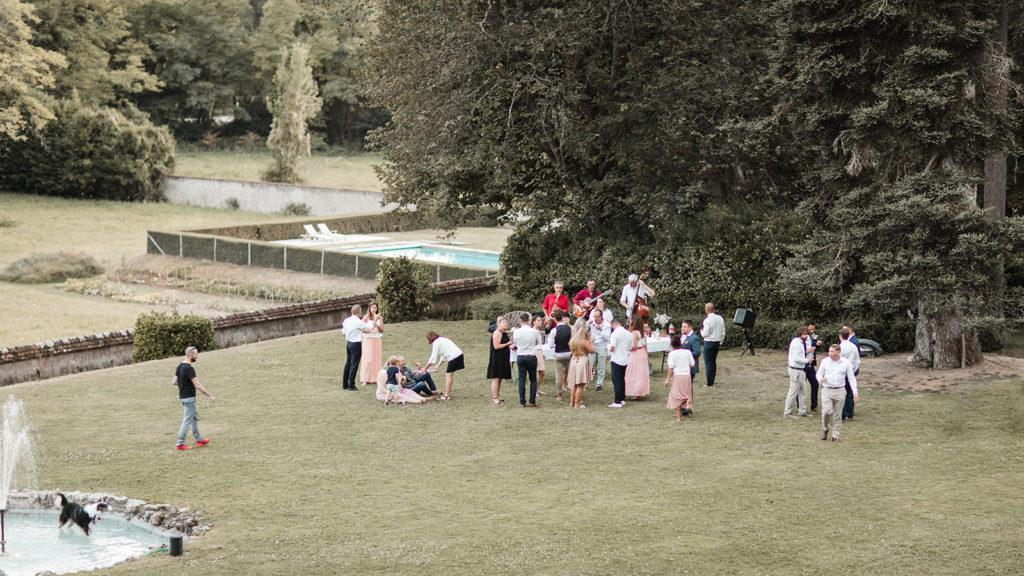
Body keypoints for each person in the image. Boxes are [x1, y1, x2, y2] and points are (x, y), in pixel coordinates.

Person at [172, 346, 215, 451]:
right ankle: (180, 444)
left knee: (194, 417)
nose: (197, 356)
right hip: (189, 398)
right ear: (190, 355)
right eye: (196, 354)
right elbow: (198, 385)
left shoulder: (180, 366)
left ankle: (199, 439)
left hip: (184, 397)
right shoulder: (189, 368)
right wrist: (210, 395)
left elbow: (174, 382)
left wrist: (184, 383)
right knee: (187, 420)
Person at [816, 344, 859, 442]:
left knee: (838, 414)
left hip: (840, 391)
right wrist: (820, 379)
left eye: (832, 351)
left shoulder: (846, 362)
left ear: (838, 352)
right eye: (829, 351)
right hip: (827, 390)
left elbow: (851, 378)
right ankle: (825, 428)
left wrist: (855, 392)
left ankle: (835, 435)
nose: (829, 353)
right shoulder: (825, 361)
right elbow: (818, 373)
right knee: (826, 412)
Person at [424, 332, 465, 400]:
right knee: (449, 374)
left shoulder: (436, 343)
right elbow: (444, 355)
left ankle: (446, 395)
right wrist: (437, 366)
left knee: (448, 374)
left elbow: (433, 357)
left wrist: (425, 368)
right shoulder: (443, 339)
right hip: (460, 355)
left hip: (454, 357)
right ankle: (447, 394)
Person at [664, 335, 696, 420]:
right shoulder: (687, 352)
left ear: (672, 344)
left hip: (677, 376)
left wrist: (667, 379)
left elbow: (670, 368)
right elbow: (692, 364)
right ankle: (688, 400)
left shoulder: (672, 354)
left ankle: (678, 417)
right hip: (687, 376)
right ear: (680, 343)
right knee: (686, 393)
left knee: (676, 396)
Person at [513, 312, 542, 407]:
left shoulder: (516, 331)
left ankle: (522, 402)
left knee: (521, 379)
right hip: (531, 356)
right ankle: (532, 401)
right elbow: (539, 342)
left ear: (520, 321)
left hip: (521, 356)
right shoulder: (534, 331)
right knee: (533, 379)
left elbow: (515, 343)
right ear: (529, 320)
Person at [341, 304, 372, 391]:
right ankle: (351, 385)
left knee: (348, 363)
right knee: (354, 364)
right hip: (356, 344)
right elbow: (369, 327)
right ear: (359, 312)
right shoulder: (358, 321)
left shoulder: (347, 320)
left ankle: (345, 384)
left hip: (349, 343)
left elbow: (343, 331)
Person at [784, 326, 812, 418]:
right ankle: (787, 412)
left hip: (800, 370)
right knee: (793, 391)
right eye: (804, 334)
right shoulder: (797, 343)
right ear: (799, 334)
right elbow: (796, 359)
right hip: (796, 370)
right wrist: (807, 360)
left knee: (803, 391)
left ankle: (802, 411)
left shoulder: (799, 342)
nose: (806, 336)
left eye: (807, 334)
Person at [568, 318, 595, 409]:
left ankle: (572, 403)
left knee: (574, 384)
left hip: (574, 360)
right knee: (580, 385)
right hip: (582, 361)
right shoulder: (584, 342)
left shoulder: (572, 341)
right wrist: (592, 342)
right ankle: (577, 404)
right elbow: (592, 350)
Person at [487, 317, 514, 404]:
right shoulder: (497, 333)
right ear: (498, 324)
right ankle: (494, 398)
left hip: (503, 358)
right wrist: (508, 343)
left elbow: (507, 345)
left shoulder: (504, 333)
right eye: (503, 322)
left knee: (500, 378)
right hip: (497, 358)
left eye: (507, 322)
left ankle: (498, 396)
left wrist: (512, 346)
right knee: (496, 378)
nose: (506, 324)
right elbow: (496, 346)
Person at [548, 310, 572, 401]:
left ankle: (560, 395)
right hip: (569, 354)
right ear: (562, 318)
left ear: (554, 319)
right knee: (571, 374)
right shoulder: (570, 328)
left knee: (559, 375)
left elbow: (550, 345)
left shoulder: (554, 330)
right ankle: (572, 392)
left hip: (558, 355)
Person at [624, 316, 651, 399]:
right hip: (642, 352)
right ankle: (639, 393)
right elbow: (645, 345)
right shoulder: (642, 332)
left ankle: (634, 391)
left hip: (635, 354)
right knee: (640, 373)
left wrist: (627, 349)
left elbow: (634, 346)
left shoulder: (634, 332)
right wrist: (647, 355)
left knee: (633, 372)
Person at [608, 319, 632, 408]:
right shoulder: (629, 333)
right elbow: (630, 347)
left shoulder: (615, 333)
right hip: (625, 358)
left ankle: (617, 401)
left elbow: (612, 348)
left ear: (614, 324)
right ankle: (622, 399)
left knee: (617, 380)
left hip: (616, 359)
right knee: (622, 380)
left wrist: (608, 346)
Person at [700, 303, 726, 387]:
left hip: (709, 342)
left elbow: (705, 334)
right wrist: (721, 342)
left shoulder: (707, 320)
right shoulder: (720, 318)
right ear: (713, 309)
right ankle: (712, 380)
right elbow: (723, 331)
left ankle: (709, 383)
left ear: (706, 309)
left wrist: (701, 331)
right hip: (717, 343)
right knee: (713, 362)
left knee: (708, 363)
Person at [360, 301, 384, 387]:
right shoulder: (366, 317)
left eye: (375, 307)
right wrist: (370, 329)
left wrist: (377, 325)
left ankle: (375, 378)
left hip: (377, 340)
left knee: (376, 359)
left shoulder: (379, 317)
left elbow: (382, 330)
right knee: (367, 359)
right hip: (368, 340)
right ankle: (365, 379)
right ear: (369, 308)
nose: (373, 309)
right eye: (372, 307)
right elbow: (361, 328)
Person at [839, 327, 861, 421]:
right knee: (850, 392)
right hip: (852, 371)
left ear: (840, 336)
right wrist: (854, 370)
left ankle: (843, 415)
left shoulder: (840, 347)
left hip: (843, 372)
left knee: (842, 393)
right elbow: (857, 360)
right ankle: (850, 414)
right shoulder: (853, 346)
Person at [587, 309, 612, 391]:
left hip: (602, 346)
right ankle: (585, 382)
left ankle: (599, 384)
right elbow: (584, 330)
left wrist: (600, 330)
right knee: (589, 364)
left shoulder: (607, 325)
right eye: (594, 316)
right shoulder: (592, 322)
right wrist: (587, 324)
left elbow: (608, 338)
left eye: (597, 317)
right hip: (593, 345)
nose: (595, 318)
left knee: (601, 366)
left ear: (601, 317)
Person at [804, 322, 821, 412]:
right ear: (806, 328)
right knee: (801, 386)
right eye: (810, 329)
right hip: (802, 365)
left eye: (813, 329)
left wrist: (817, 345)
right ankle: (800, 407)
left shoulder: (813, 336)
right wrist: (807, 350)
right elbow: (796, 351)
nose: (812, 331)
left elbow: (814, 347)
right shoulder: (799, 337)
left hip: (811, 365)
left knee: (815, 384)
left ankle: (814, 406)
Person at [531, 315, 548, 394]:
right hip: (535, 352)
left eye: (541, 320)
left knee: (542, 373)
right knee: (538, 372)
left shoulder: (537, 331)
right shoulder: (532, 331)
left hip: (539, 351)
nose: (540, 322)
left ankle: (536, 389)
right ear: (533, 322)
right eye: (538, 320)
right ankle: (534, 390)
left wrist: (542, 353)